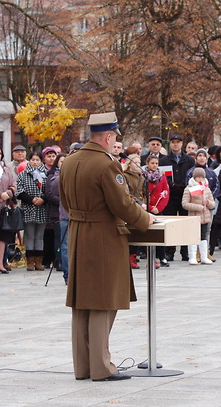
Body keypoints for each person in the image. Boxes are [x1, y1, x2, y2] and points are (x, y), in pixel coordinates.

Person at [59, 112, 153, 382]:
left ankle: (83, 367)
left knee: (81, 302)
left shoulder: (70, 161)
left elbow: (65, 201)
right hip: (102, 235)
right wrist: (145, 219)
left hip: (78, 233)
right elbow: (122, 205)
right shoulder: (106, 164)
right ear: (109, 137)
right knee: (102, 300)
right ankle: (101, 367)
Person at [160, 135, 195, 261]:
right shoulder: (164, 160)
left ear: (182, 143)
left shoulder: (189, 160)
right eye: (173, 142)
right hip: (170, 195)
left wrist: (184, 185)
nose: (175, 144)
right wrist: (172, 185)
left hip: (185, 195)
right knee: (171, 224)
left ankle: (185, 251)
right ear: (170, 144)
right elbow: (163, 176)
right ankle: (170, 251)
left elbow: (192, 175)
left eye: (178, 142)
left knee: (185, 223)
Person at [17, 151, 48, 271]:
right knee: (30, 235)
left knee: (40, 236)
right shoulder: (23, 174)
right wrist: (31, 199)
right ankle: (30, 261)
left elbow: (50, 190)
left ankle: (39, 261)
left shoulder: (46, 174)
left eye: (37, 160)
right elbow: (19, 191)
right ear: (29, 160)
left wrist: (43, 199)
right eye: (33, 160)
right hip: (28, 207)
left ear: (41, 161)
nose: (35, 162)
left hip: (42, 208)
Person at [182, 167, 216, 265]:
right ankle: (192, 257)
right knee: (193, 236)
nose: (200, 179)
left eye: (202, 177)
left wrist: (208, 202)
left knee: (203, 237)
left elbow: (213, 204)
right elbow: (185, 204)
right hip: (194, 217)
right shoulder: (189, 188)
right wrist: (198, 207)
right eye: (198, 177)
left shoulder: (206, 189)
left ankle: (204, 256)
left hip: (205, 217)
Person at [143, 155, 170, 267]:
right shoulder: (143, 176)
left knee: (160, 234)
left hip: (158, 209)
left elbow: (165, 193)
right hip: (146, 209)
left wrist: (158, 208)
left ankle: (162, 256)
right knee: (149, 234)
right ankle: (150, 257)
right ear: (147, 164)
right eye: (152, 163)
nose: (155, 165)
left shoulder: (162, 177)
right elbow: (141, 194)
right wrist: (149, 207)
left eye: (156, 163)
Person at [45, 154, 68, 278]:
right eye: (62, 162)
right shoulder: (55, 176)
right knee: (62, 242)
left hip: (77, 214)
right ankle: (63, 267)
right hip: (62, 213)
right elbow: (51, 191)